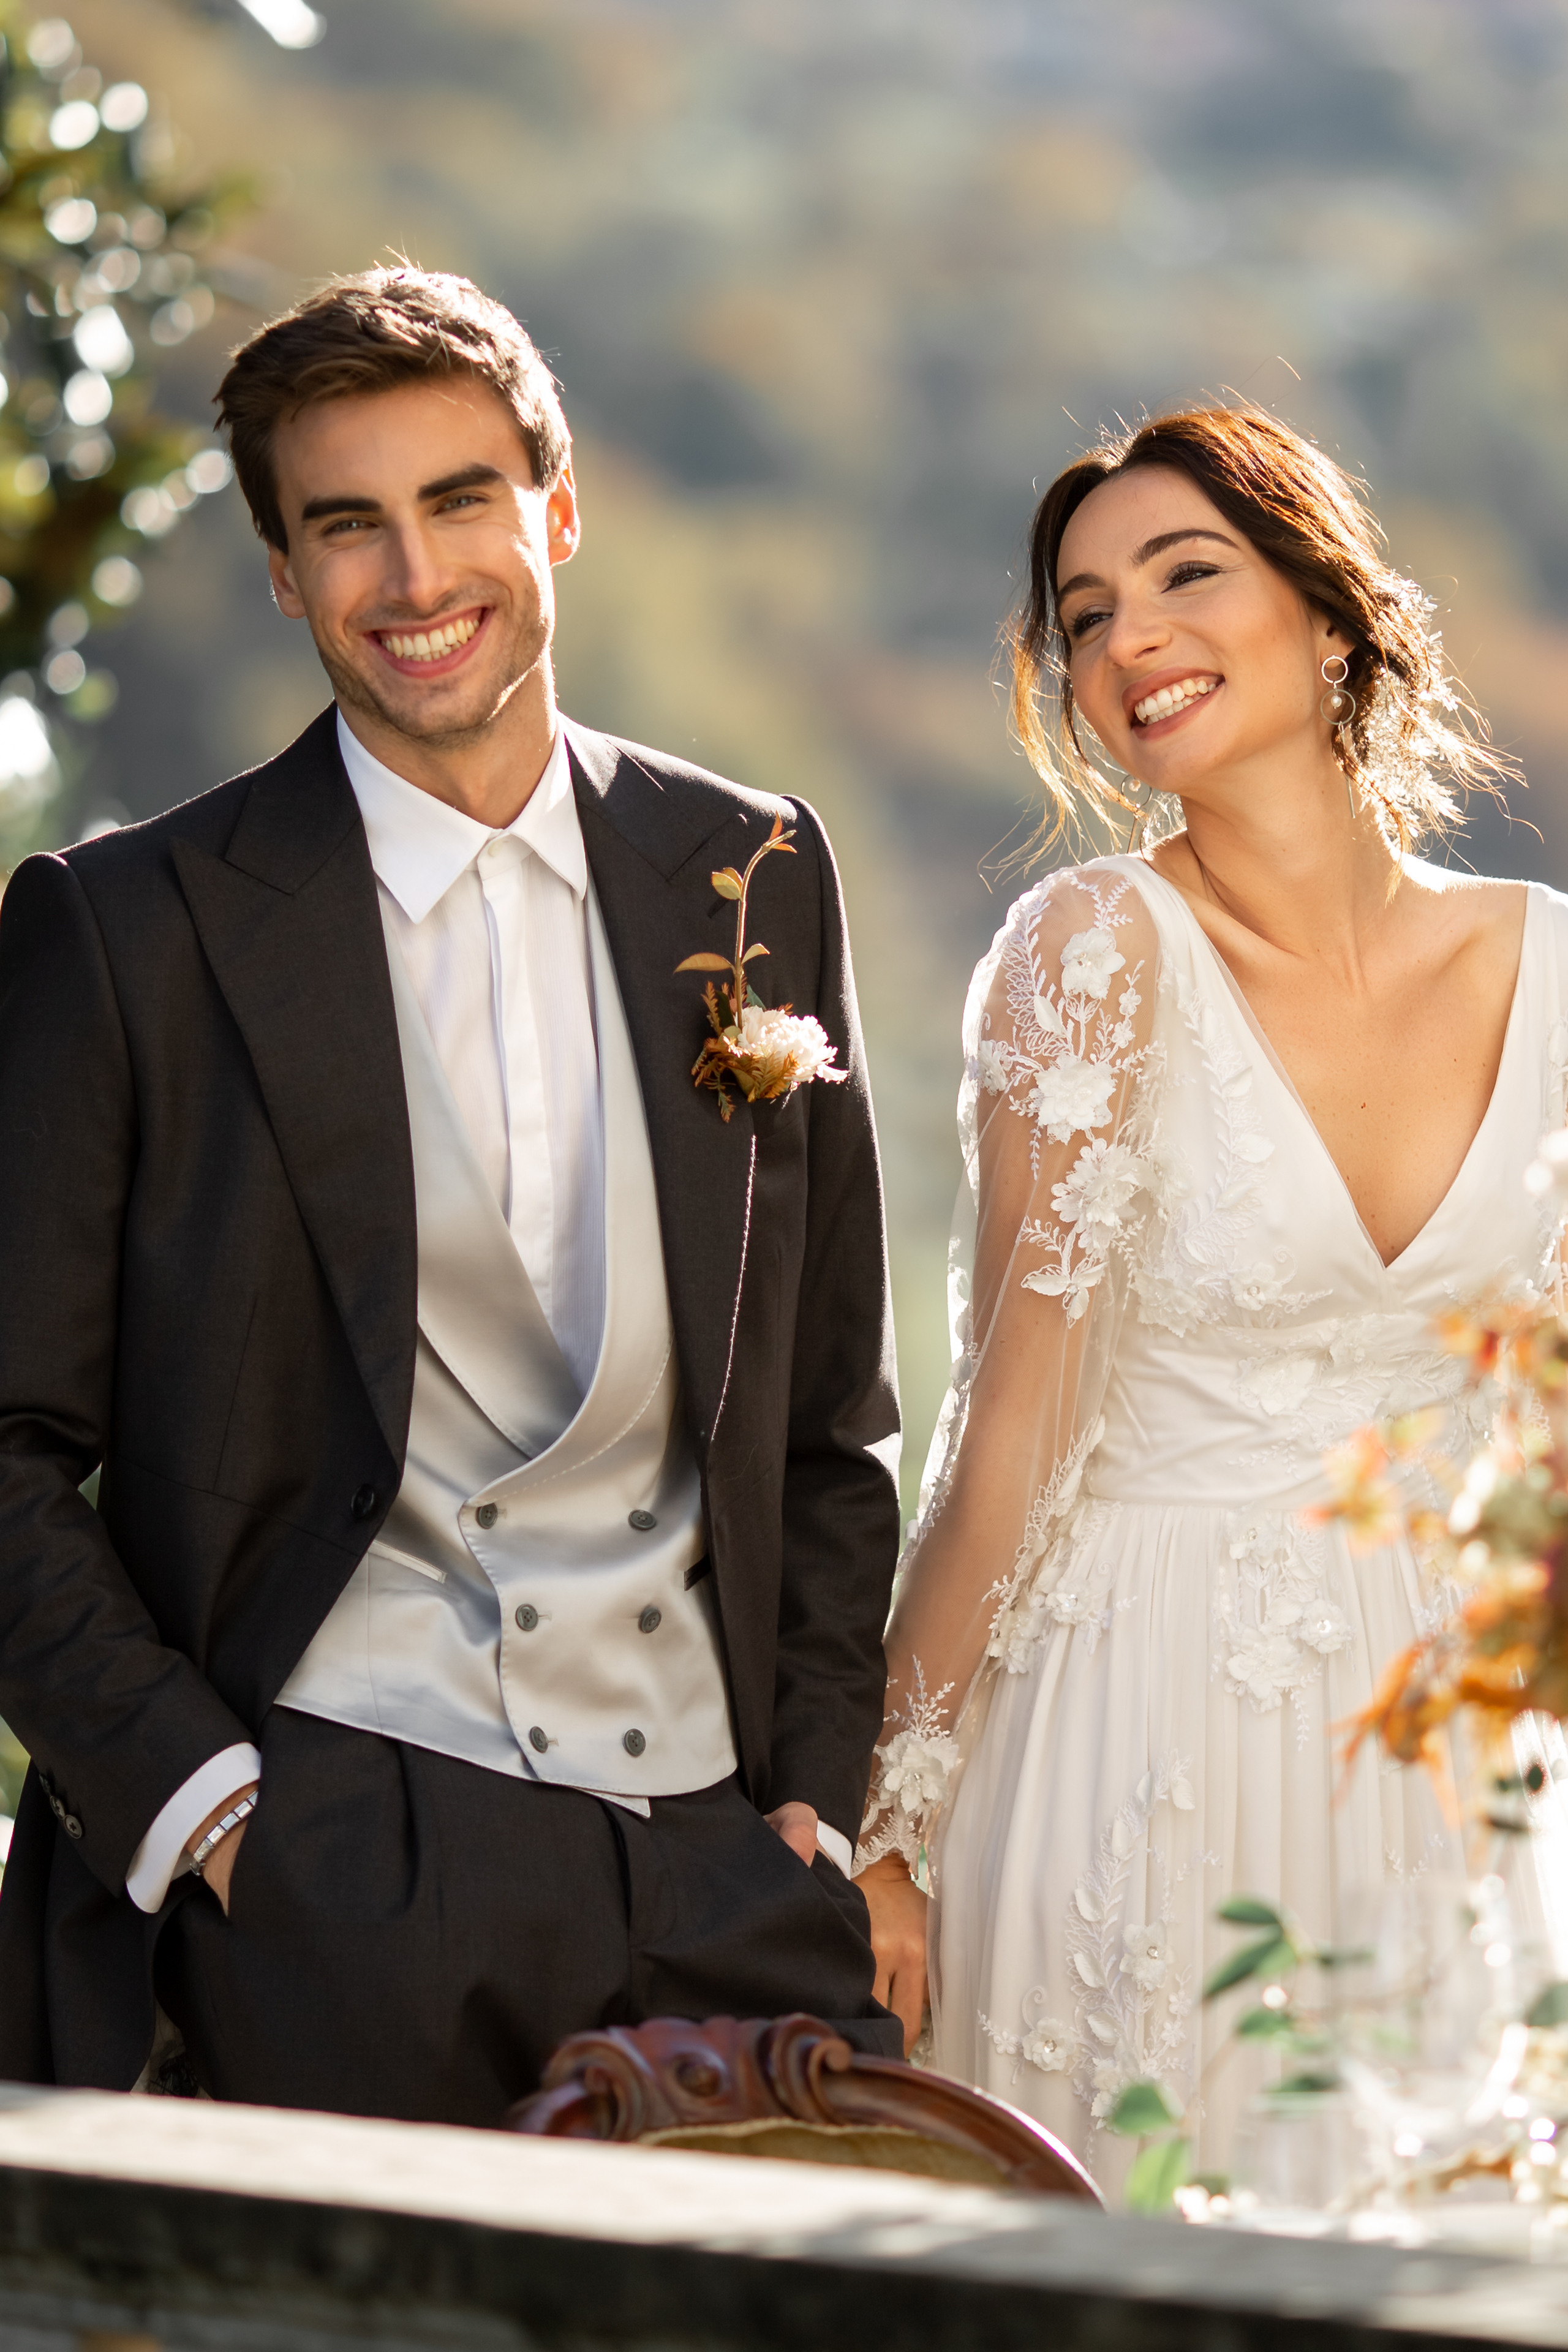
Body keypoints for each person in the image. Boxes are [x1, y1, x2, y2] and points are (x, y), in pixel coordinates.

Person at [0, 268, 902, 2122]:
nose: (414, 581)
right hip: (336, 1862)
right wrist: (207, 1811)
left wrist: (812, 1786)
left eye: (460, 501)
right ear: (282, 573)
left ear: (555, 514)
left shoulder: (748, 868)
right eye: (347, 526)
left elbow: (829, 1409)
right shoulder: (128, 931)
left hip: (728, 1866)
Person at [854, 404, 1568, 2187]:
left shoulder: (1550, 965)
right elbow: (1004, 1424)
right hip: (1138, 1719)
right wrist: (894, 1821)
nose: (1131, 638)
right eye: (1086, 616)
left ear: (1331, 613)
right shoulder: (1090, 953)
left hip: (1459, 1752)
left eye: (1187, 574)